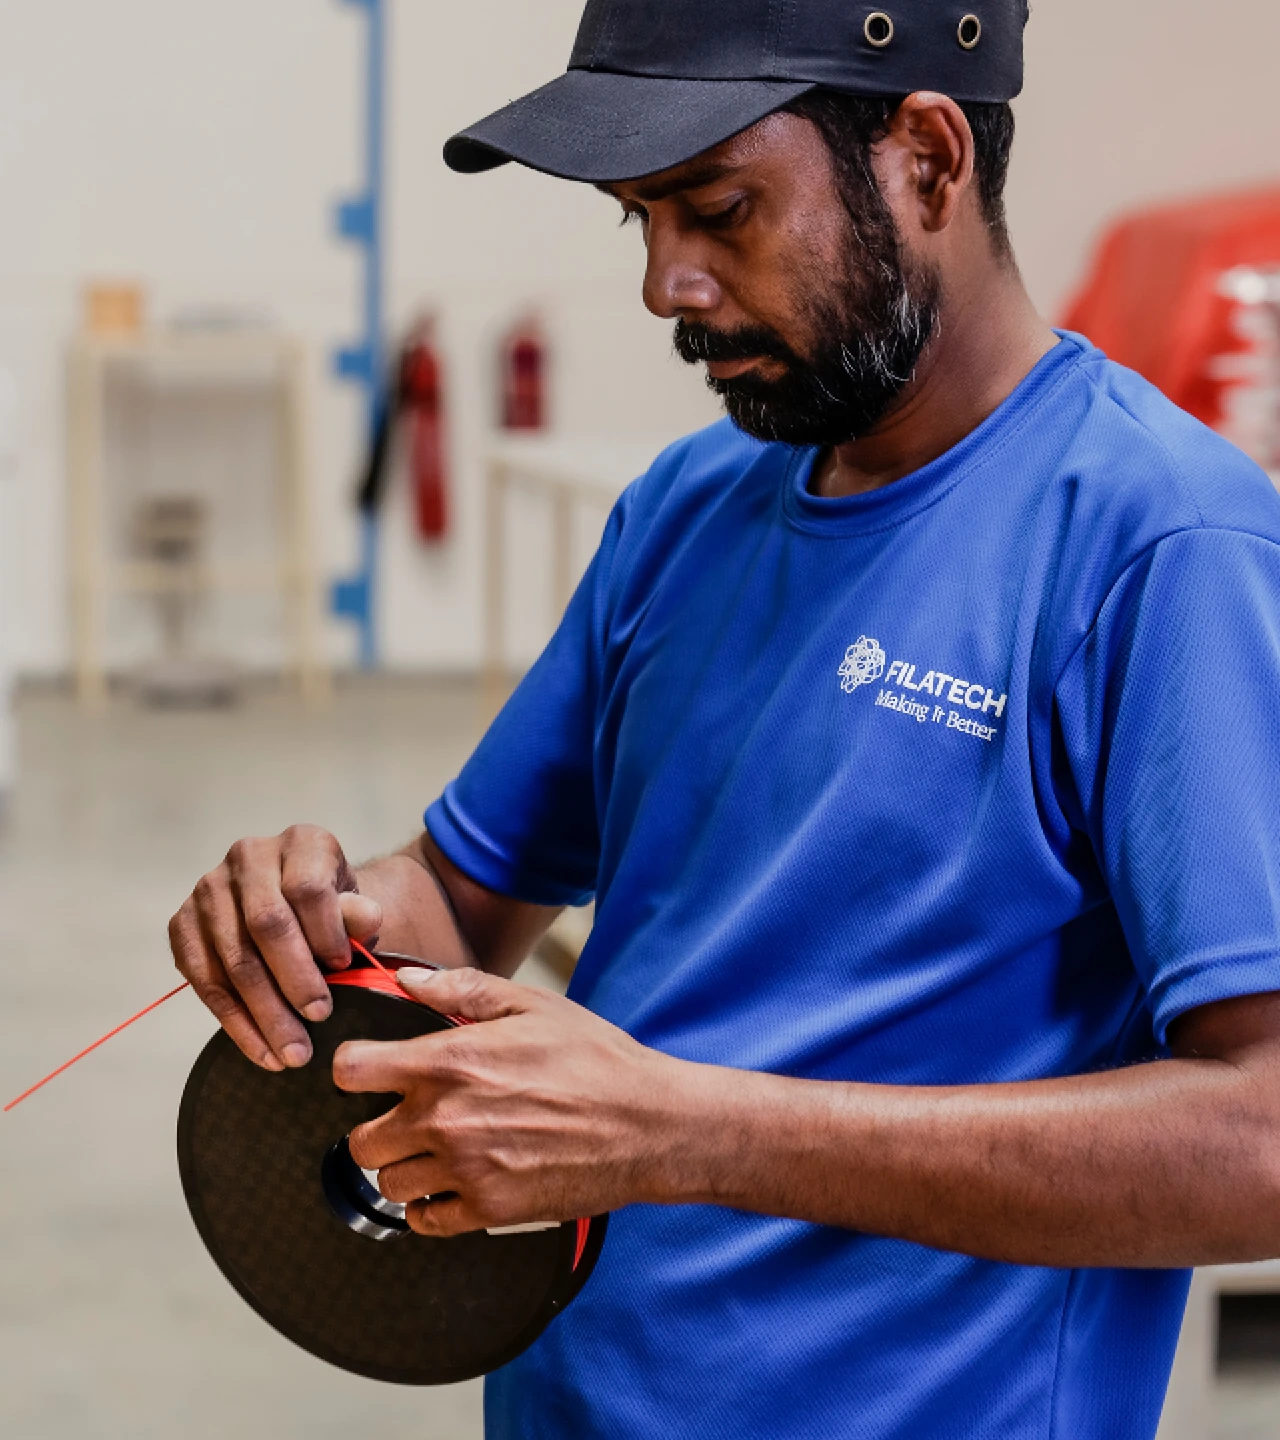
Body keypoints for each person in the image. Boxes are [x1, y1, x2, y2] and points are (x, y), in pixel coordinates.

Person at [169, 1, 1280, 1435]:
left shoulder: (1161, 548)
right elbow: (458, 893)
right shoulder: (688, 510)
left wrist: (677, 1135)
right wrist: (317, 914)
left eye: (721, 209)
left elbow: (1260, 1136)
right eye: (640, 221)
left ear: (927, 159)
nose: (666, 285)